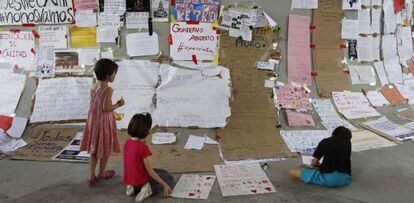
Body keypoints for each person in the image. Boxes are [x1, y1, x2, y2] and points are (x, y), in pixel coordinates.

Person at [80, 59, 125, 187]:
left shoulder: (94, 86)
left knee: (94, 150)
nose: (115, 76)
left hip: (93, 121)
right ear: (108, 75)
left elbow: (96, 105)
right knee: (104, 149)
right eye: (114, 74)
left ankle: (90, 176)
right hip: (104, 123)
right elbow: (105, 108)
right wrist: (118, 104)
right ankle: (102, 173)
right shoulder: (108, 89)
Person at [124, 113, 174, 202]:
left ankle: (132, 187)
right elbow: (150, 171)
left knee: (162, 171)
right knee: (168, 178)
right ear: (145, 131)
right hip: (141, 180)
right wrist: (164, 185)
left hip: (130, 178)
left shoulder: (127, 143)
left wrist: (143, 139)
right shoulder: (142, 148)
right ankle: (148, 189)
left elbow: (134, 160)